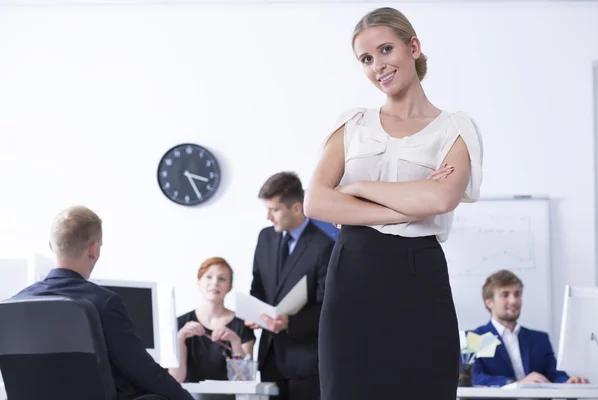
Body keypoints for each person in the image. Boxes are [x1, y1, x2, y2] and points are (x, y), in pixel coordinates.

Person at [303, 7, 484, 400]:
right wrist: (404, 207)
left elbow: (440, 197)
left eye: (386, 50)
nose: (377, 66)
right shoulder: (352, 125)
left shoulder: (455, 127)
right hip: (352, 274)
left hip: (418, 274)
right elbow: (315, 202)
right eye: (366, 59)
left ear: (413, 47)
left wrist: (356, 188)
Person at [13, 206, 194, 400]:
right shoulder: (104, 302)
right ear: (94, 249)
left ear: (51, 245)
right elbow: (143, 370)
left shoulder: (13, 306)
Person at [245, 171, 334, 400]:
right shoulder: (265, 238)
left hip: (305, 363)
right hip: (269, 357)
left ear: (296, 208)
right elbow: (258, 286)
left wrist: (290, 323)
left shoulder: (324, 246)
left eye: (274, 210)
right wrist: (253, 311)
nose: (268, 217)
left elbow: (328, 307)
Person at [472, 269, 589, 386]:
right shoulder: (475, 338)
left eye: (517, 294)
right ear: (489, 302)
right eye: (505, 295)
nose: (513, 301)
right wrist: (517, 383)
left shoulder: (539, 339)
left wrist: (568, 382)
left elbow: (555, 375)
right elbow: (472, 378)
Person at [169, 257, 255, 396]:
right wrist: (179, 339)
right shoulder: (180, 324)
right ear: (199, 282)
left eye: (222, 279)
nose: (215, 283)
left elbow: (245, 380)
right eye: (208, 277)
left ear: (230, 286)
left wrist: (235, 341)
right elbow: (176, 379)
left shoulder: (242, 324)